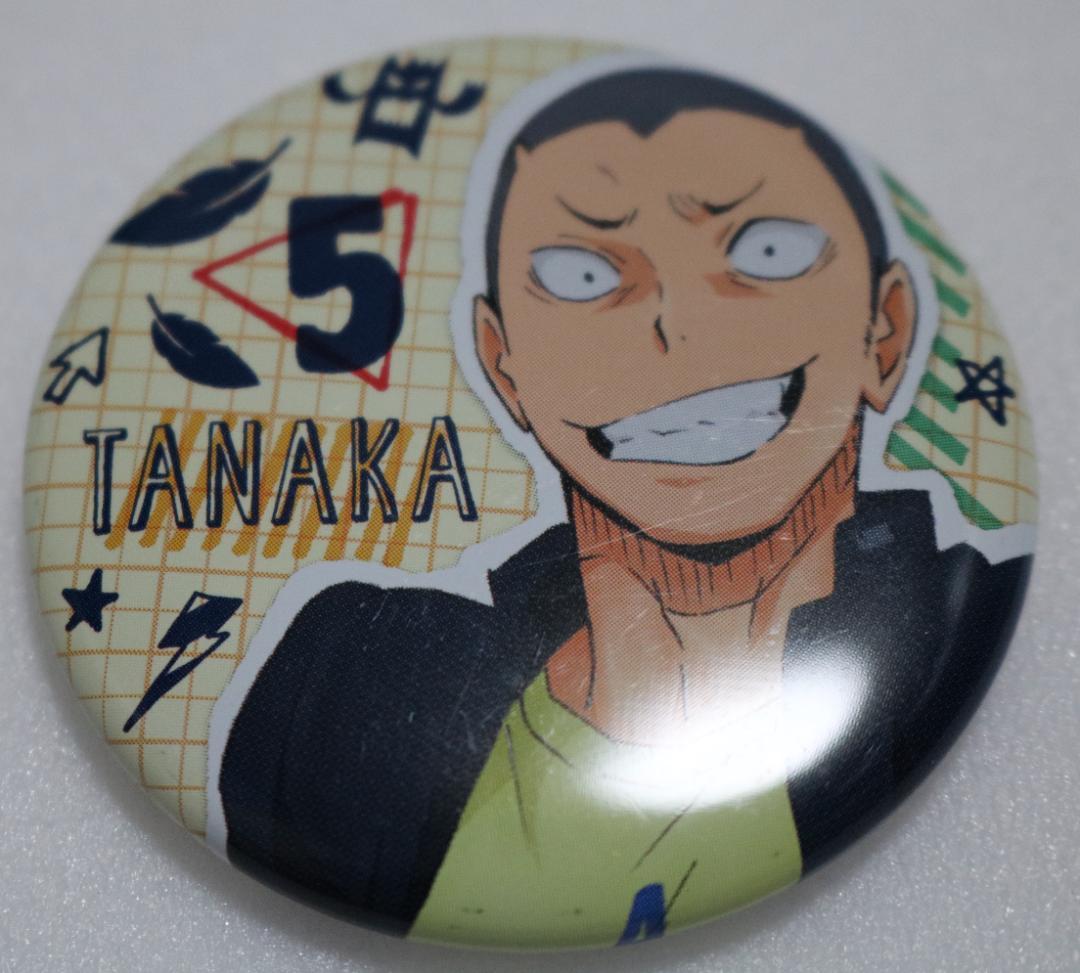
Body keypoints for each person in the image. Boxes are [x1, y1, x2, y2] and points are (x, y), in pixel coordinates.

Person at [214, 67, 1031, 947]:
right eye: (581, 274)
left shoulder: (946, 624)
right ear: (502, 363)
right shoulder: (341, 687)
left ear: (887, 330)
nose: (681, 325)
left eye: (767, 253)